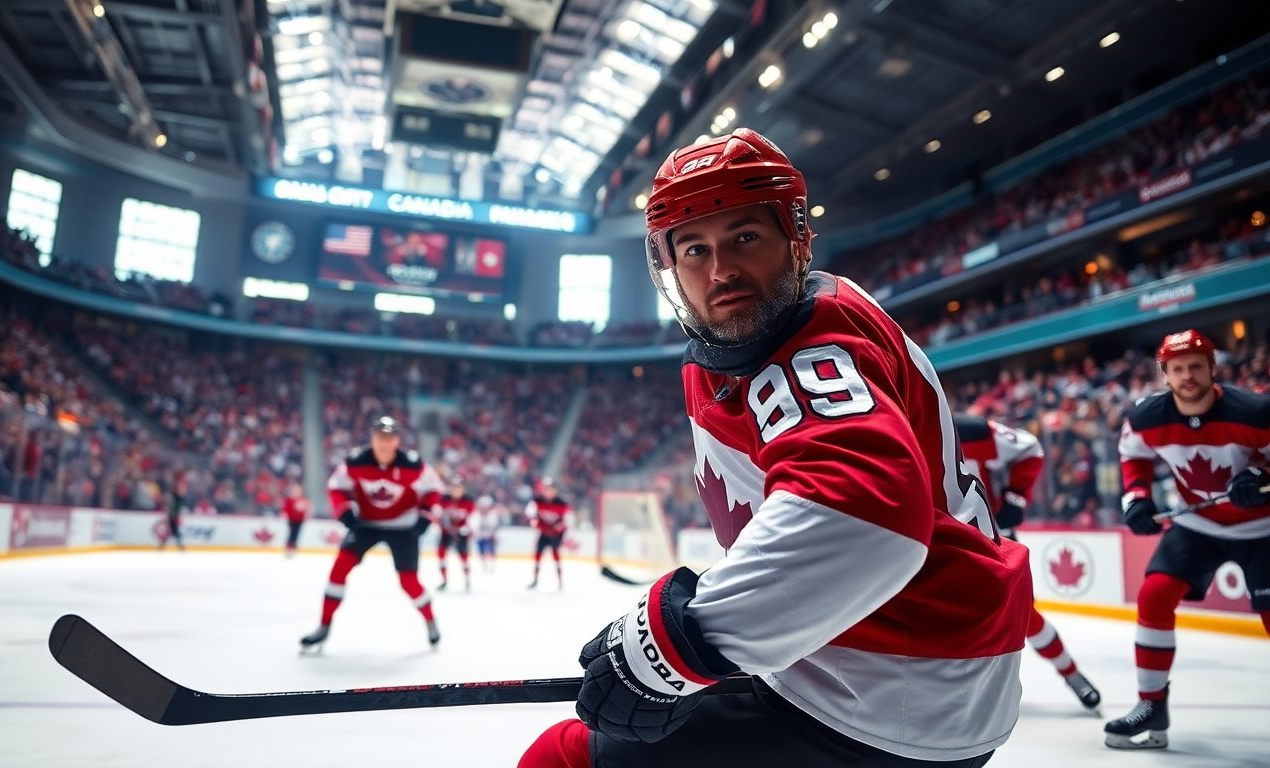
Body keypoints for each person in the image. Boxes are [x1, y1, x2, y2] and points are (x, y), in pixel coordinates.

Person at [520, 128, 1032, 767]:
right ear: (669, 268)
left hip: (883, 689)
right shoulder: (762, 340)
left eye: (744, 238)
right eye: (695, 250)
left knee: (562, 758)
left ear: (796, 239)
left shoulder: (809, 352)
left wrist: (684, 643)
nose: (721, 271)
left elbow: (863, 518)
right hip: (892, 663)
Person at [1105, 329, 1270, 749]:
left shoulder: (1254, 411)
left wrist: (1263, 478)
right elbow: (1134, 457)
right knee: (1154, 596)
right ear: (1165, 375)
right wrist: (1137, 499)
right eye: (1177, 369)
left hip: (1263, 528)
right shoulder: (1146, 418)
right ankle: (1151, 705)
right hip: (1199, 526)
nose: (1187, 376)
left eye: (1196, 366)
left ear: (1213, 368)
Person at [955, 414, 1101, 711]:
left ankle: (1071, 673)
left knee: (1023, 616)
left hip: (993, 539)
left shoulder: (973, 431)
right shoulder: (904, 428)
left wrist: (1016, 497)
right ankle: (961, 694)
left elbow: (1029, 448)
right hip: (941, 541)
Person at [300, 417, 443, 653]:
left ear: (397, 440)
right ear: (372, 438)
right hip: (365, 524)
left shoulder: (413, 465)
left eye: (389, 438)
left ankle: (430, 620)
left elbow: (434, 489)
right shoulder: (355, 462)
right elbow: (336, 486)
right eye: (380, 438)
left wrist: (425, 517)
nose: (384, 444)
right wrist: (344, 510)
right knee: (339, 568)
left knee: (409, 582)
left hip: (403, 527)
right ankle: (323, 627)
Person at [525, 477, 571, 590]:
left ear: (555, 490)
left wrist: (558, 528)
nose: (548, 492)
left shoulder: (562, 504)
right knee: (538, 555)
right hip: (544, 533)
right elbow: (529, 513)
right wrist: (534, 522)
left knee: (556, 555)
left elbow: (568, 520)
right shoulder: (537, 501)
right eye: (546, 489)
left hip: (556, 535)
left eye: (551, 489)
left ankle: (560, 580)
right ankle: (535, 579)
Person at [436, 476, 475, 591]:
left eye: (459, 488)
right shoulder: (444, 500)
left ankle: (467, 579)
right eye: (455, 488)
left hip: (461, 531)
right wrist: (441, 525)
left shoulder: (468, 501)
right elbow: (437, 513)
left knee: (463, 556)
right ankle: (444, 580)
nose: (457, 491)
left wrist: (466, 528)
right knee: (441, 553)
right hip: (446, 531)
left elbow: (473, 517)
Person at [281, 481, 310, 558]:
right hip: (292, 520)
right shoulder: (290, 500)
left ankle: (294, 547)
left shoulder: (303, 499)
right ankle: (289, 547)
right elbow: (286, 509)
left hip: (300, 520)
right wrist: (286, 516)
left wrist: (306, 515)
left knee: (297, 534)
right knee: (291, 534)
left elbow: (306, 508)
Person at [159, 476, 187, 551]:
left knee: (172, 533)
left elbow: (183, 508)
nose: (183, 490)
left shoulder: (181, 498)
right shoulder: (173, 497)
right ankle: (181, 549)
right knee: (175, 533)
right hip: (173, 518)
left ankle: (161, 548)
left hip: (175, 517)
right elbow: (169, 507)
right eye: (181, 488)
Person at [475, 494, 501, 573]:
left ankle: (492, 566)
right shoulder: (477, 515)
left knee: (491, 551)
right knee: (481, 552)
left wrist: (492, 535)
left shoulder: (493, 515)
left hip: (490, 536)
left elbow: (494, 527)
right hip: (480, 536)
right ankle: (484, 565)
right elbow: (475, 526)